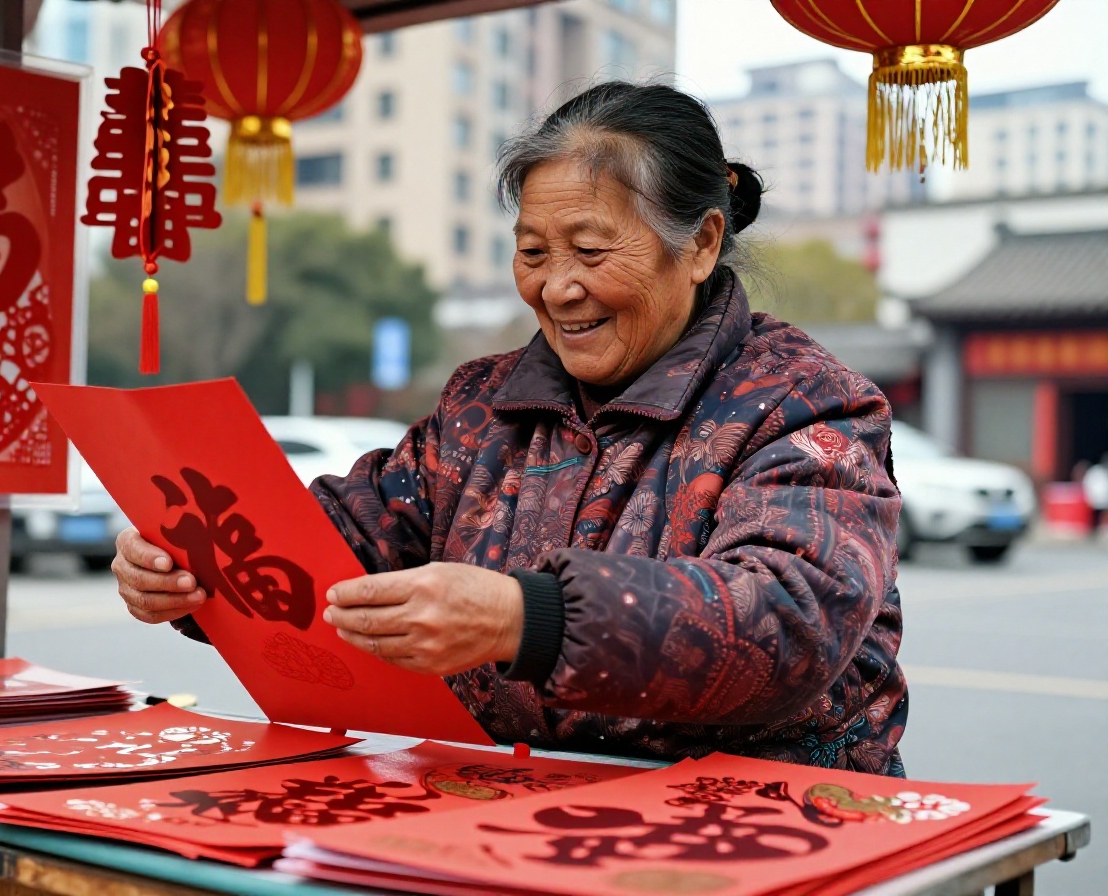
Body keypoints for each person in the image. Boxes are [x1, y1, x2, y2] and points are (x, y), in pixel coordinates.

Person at [111, 82, 907, 775]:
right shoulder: (479, 405)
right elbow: (338, 542)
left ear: (698, 244)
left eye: (590, 250)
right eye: (532, 251)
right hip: (511, 813)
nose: (558, 287)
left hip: (759, 825)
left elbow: (789, 618)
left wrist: (525, 617)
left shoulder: (806, 404)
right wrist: (195, 563)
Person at [1083, 455, 1108, 536]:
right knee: (1094, 516)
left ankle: (1101, 530)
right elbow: (1088, 483)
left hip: (1104, 499)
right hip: (1095, 497)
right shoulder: (1095, 471)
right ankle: (1092, 531)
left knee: (1102, 515)